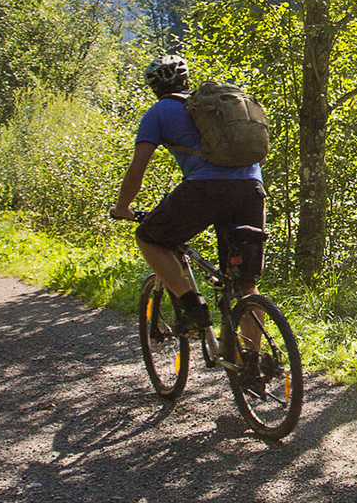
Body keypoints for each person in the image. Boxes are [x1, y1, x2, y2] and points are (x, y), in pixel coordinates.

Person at [109, 54, 265, 334]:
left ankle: (193, 307)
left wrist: (123, 207)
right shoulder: (220, 107)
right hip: (251, 190)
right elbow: (258, 156)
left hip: (204, 190)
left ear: (154, 88)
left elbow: (137, 170)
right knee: (245, 286)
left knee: (149, 237)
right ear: (187, 80)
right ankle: (254, 367)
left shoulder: (159, 112)